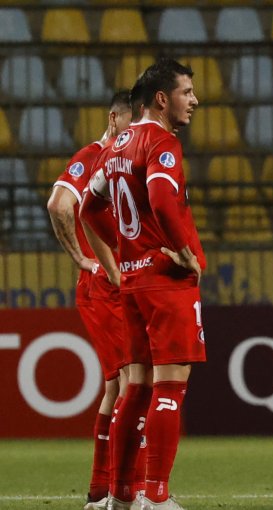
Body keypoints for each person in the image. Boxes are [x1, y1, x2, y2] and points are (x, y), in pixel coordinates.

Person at [81, 58, 204, 510]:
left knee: (137, 387)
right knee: (171, 386)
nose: (194, 100)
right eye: (186, 92)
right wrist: (181, 250)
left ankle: (120, 495)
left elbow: (88, 209)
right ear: (162, 98)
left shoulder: (114, 147)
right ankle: (157, 496)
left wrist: (124, 251)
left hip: (132, 281)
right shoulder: (161, 141)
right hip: (164, 282)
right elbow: (159, 198)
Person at [47, 90, 132, 510]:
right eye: (130, 125)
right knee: (132, 382)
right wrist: (81, 258)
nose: (134, 134)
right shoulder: (92, 156)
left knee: (119, 385)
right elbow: (59, 204)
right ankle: (121, 491)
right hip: (104, 287)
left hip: (123, 285)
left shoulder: (125, 159)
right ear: (113, 118)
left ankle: (104, 490)